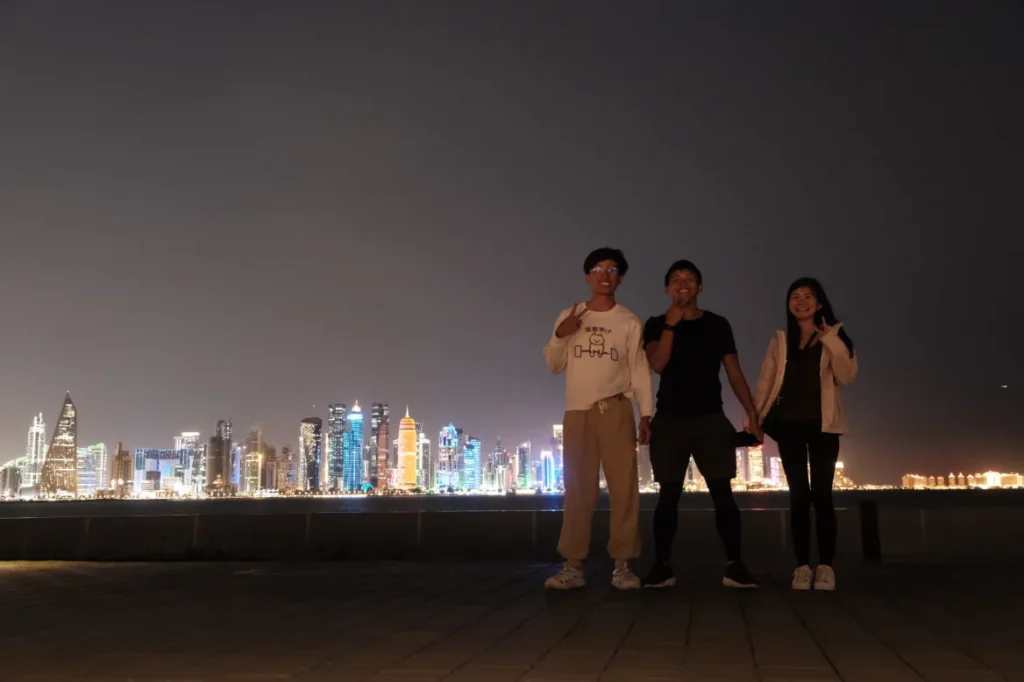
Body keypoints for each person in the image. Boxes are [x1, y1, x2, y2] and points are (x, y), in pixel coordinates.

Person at [641, 260, 762, 589]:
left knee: (723, 493)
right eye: (676, 280)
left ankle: (736, 565)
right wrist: (670, 326)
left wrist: (751, 413)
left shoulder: (717, 324)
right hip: (669, 421)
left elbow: (734, 372)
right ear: (667, 289)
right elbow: (656, 364)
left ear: (700, 287)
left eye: (690, 279)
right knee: (668, 495)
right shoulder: (654, 324)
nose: (683, 283)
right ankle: (662, 566)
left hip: (711, 418)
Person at [542, 247, 654, 591]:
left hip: (617, 408)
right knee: (578, 490)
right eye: (598, 269)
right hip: (578, 412)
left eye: (613, 270)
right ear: (588, 276)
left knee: (624, 489)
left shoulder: (629, 321)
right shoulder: (570, 314)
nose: (605, 275)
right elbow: (553, 363)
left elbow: (639, 369)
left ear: (619, 277)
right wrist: (563, 333)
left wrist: (646, 414)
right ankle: (572, 565)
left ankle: (623, 565)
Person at [751, 277, 857, 591]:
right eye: (794, 296)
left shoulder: (836, 337)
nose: (800, 301)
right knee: (798, 496)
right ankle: (801, 566)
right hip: (789, 426)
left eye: (807, 296)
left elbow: (848, 376)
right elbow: (765, 381)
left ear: (820, 303)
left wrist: (831, 341)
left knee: (822, 496)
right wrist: (754, 418)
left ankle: (825, 566)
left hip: (824, 426)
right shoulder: (780, 341)